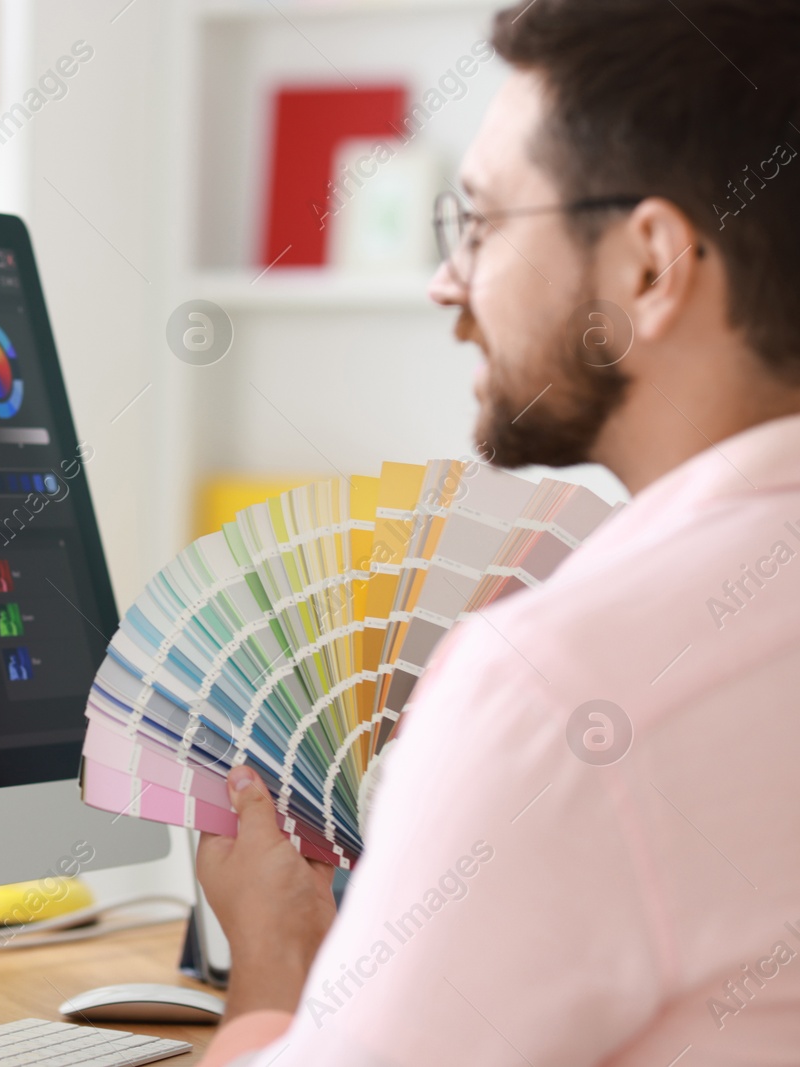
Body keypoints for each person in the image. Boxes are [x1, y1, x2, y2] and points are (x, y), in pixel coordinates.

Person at [195, 1, 800, 1063]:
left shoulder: (564, 688)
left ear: (649, 267)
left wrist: (274, 963)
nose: (447, 282)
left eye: (477, 224)